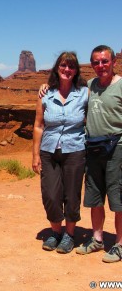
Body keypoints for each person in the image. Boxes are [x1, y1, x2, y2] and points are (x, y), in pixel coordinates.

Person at [32, 51, 88, 254]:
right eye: (63, 66)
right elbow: (38, 125)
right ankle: (55, 232)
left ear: (76, 71)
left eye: (71, 66)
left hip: (75, 150)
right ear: (57, 68)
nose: (67, 69)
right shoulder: (45, 94)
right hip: (48, 150)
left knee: (72, 194)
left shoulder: (84, 92)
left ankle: (69, 235)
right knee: (50, 193)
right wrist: (35, 154)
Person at [74, 45, 122, 263]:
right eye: (96, 62)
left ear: (113, 62)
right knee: (94, 198)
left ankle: (120, 244)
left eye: (104, 61)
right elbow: (64, 86)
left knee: (118, 198)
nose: (100, 66)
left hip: (117, 149)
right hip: (93, 149)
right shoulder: (90, 85)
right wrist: (46, 85)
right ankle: (97, 239)